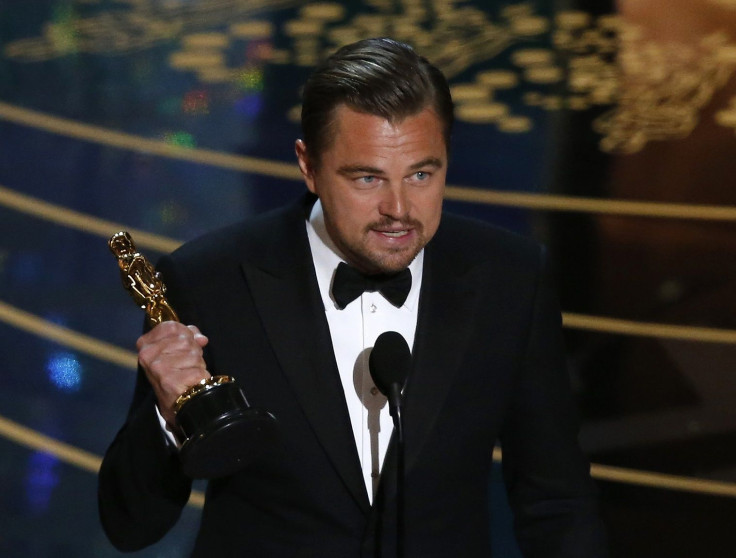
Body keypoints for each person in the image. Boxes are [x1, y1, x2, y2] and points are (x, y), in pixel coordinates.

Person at [98, 37, 608, 557]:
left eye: (421, 175)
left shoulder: (510, 278)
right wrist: (168, 416)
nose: (399, 209)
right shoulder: (211, 279)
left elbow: (557, 501)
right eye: (367, 178)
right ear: (309, 166)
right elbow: (131, 524)